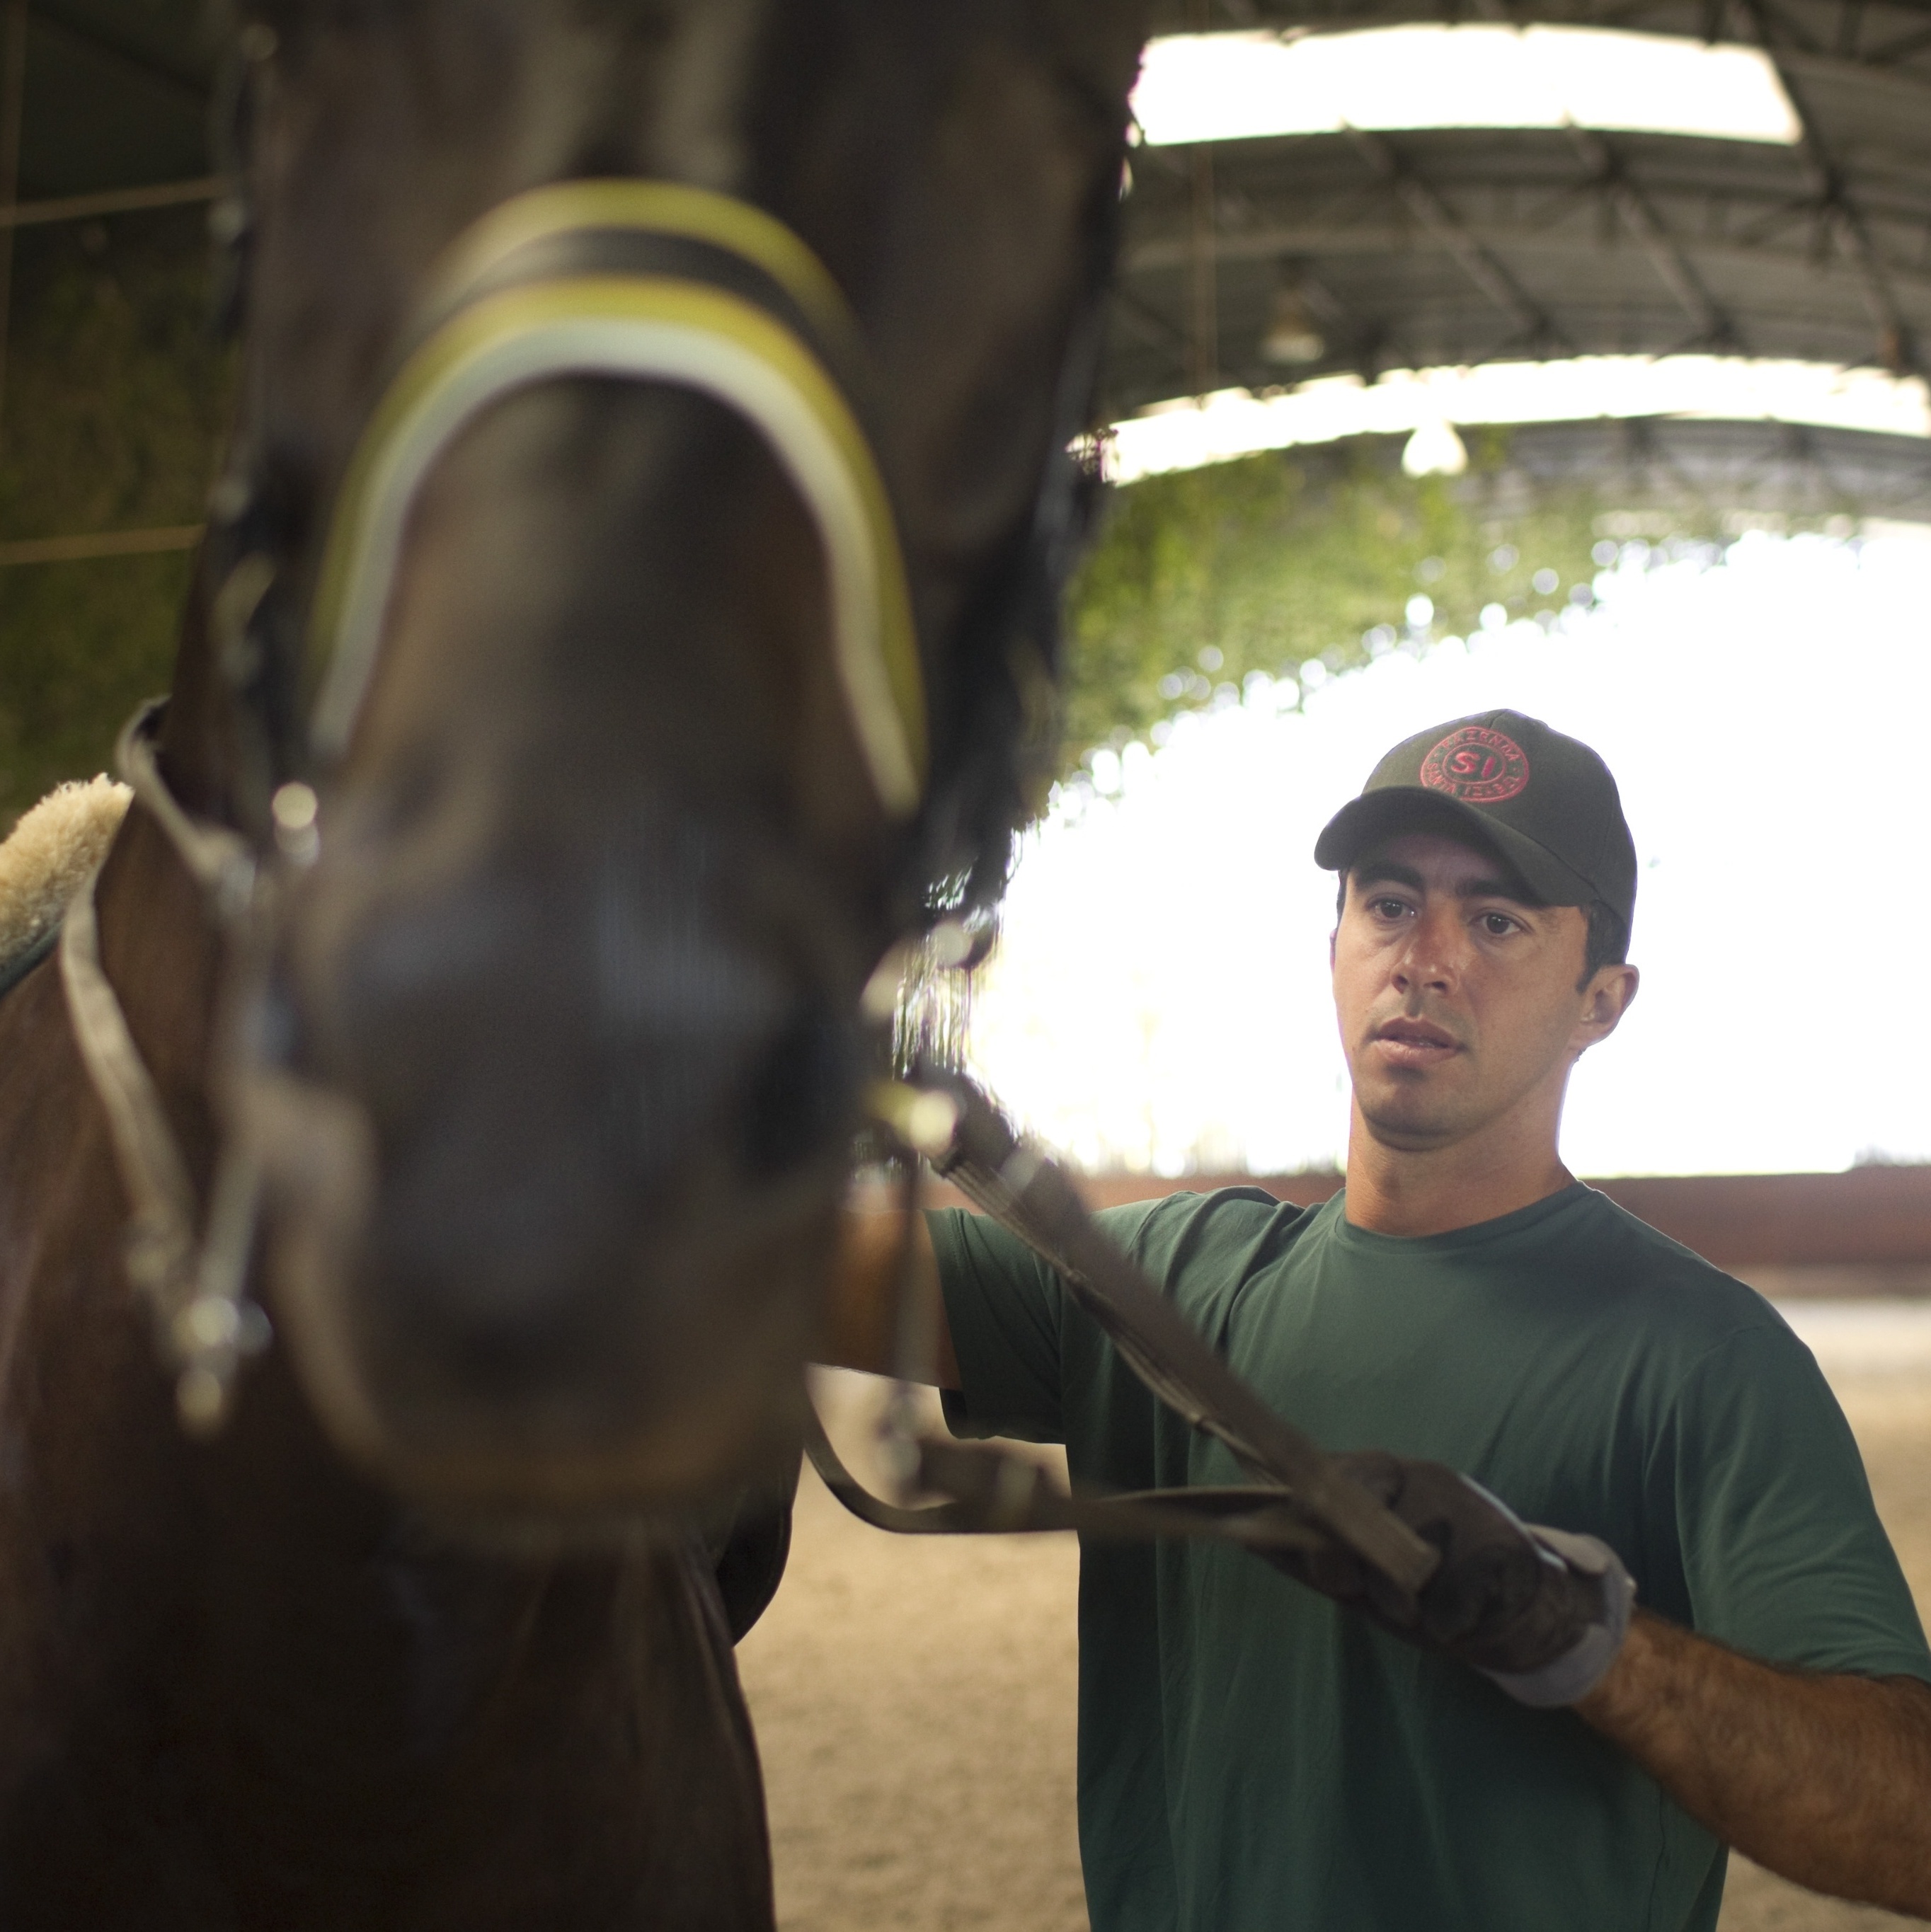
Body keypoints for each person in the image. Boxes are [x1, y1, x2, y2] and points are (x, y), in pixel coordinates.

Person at [827, 708, 1931, 1932]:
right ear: (1337, 944)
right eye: (1391, 904)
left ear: (1603, 999)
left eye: (1498, 918)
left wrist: (1585, 1638)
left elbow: (1906, 1814)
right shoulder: (1161, 1284)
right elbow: (776, 1273)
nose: (1427, 956)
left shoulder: (1703, 1357)